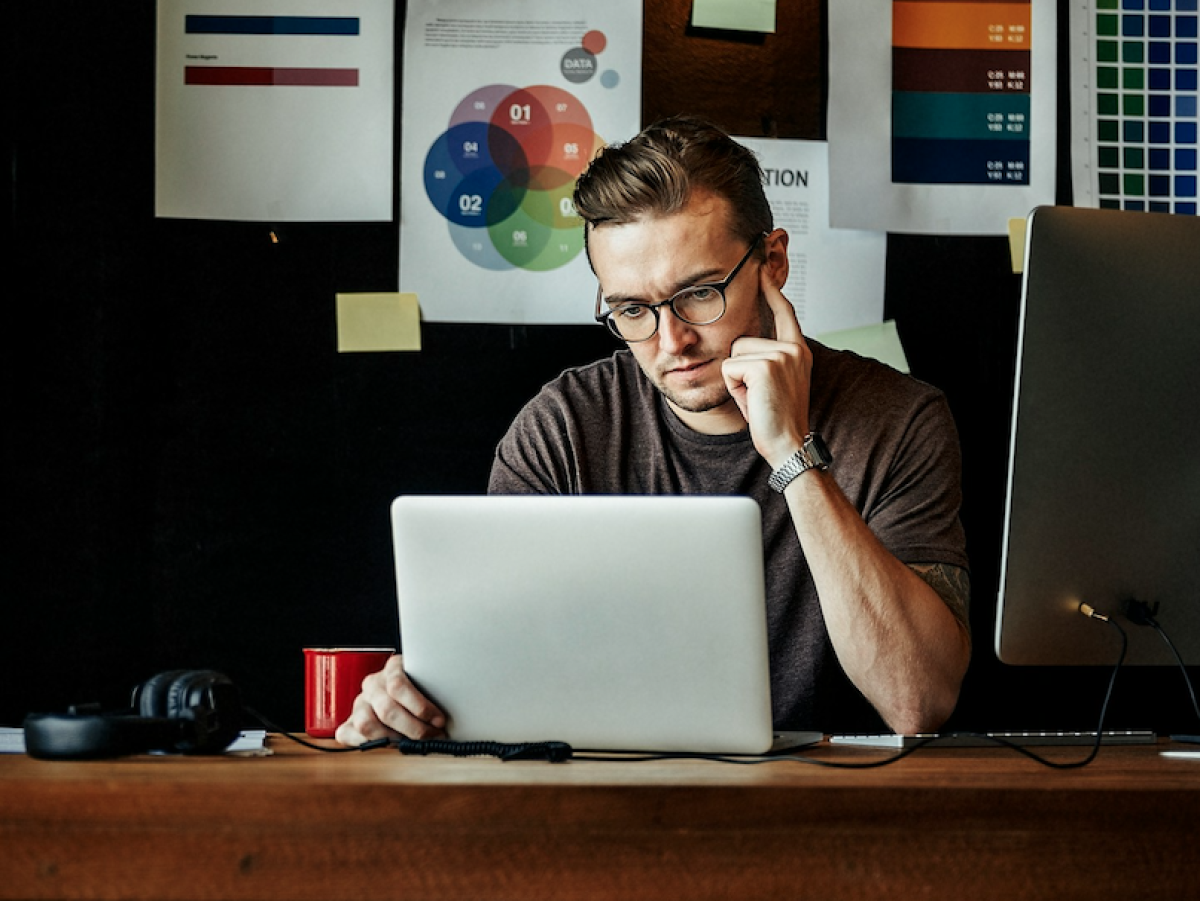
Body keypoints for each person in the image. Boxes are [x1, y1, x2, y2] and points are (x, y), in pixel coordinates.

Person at [337, 116, 971, 745]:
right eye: (633, 310)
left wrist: (793, 454)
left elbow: (916, 701)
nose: (671, 341)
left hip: (831, 796)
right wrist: (412, 699)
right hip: (608, 790)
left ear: (773, 262)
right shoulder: (563, 428)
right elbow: (493, 663)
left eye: (699, 294)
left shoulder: (899, 419)